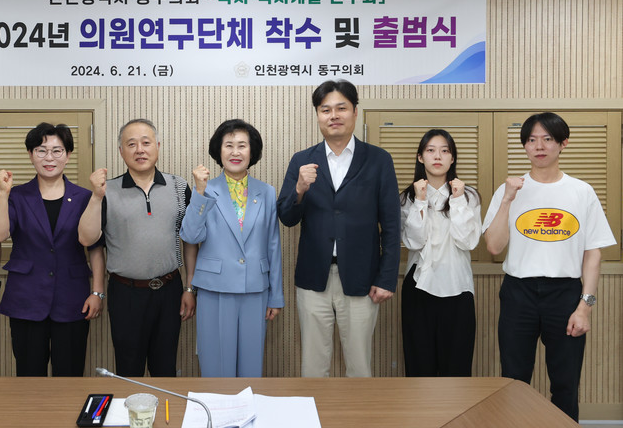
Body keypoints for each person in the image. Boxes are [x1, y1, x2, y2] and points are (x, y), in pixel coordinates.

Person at [482, 112, 615, 421]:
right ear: (524, 146)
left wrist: (585, 307)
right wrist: (507, 200)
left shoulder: (581, 191)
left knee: (566, 383)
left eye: (547, 139)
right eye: (531, 140)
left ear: (562, 143)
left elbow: (593, 253)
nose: (539, 146)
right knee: (513, 380)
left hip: (565, 293)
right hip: (518, 292)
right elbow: (494, 247)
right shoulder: (508, 190)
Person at [277, 79, 400, 378]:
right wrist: (299, 189)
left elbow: (392, 224)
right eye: (325, 109)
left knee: (359, 365)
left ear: (355, 112)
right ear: (318, 115)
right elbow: (287, 217)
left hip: (362, 278)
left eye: (341, 108)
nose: (333, 115)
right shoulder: (302, 160)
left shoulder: (378, 160)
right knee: (313, 366)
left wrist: (386, 278)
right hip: (313, 278)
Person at [78, 118, 198, 377]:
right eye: (131, 144)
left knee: (165, 368)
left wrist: (189, 287)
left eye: (146, 143)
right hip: (125, 293)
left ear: (158, 146)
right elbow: (88, 241)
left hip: (169, 290)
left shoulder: (179, 187)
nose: (140, 150)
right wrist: (96, 196)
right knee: (128, 369)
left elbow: (190, 239)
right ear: (121, 151)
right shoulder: (107, 190)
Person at [0, 123, 105, 377]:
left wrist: (97, 292)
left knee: (70, 373)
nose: (49, 158)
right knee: (29, 374)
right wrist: (3, 194)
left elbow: (94, 247)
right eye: (41, 151)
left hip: (72, 297)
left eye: (57, 151)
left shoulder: (86, 197)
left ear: (68, 155)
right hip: (26, 298)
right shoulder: (16, 196)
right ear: (31, 155)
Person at [179, 119, 284, 377]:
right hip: (214, 289)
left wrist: (276, 296)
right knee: (216, 367)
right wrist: (199, 193)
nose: (235, 152)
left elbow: (273, 244)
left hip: (256, 289)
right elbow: (190, 235)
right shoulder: (205, 189)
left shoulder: (267, 192)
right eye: (229, 145)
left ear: (252, 151)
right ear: (219, 150)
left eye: (242, 145)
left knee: (251, 367)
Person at [400, 129, 481, 377]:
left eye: (445, 151)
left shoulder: (468, 196)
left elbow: (468, 241)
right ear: (420, 157)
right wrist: (420, 200)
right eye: (431, 150)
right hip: (418, 286)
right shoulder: (406, 198)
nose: (438, 156)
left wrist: (457, 200)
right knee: (419, 365)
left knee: (457, 366)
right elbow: (414, 242)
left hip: (458, 286)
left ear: (452, 158)